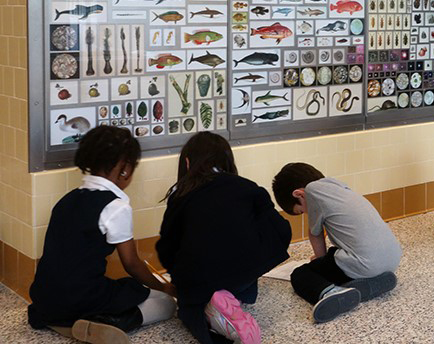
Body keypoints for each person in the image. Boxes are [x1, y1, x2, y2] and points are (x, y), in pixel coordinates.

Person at [28, 126, 176, 344]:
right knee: (165, 303)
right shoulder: (116, 207)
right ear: (125, 170)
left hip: (44, 298)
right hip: (81, 296)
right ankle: (110, 322)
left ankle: (65, 322)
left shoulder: (66, 201)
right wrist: (164, 287)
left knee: (125, 288)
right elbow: (132, 264)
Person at [156, 133, 291, 344]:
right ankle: (231, 298)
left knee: (187, 310)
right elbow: (280, 228)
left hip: (202, 275)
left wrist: (179, 279)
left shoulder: (181, 193)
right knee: (240, 273)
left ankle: (213, 309)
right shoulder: (247, 186)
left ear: (188, 162)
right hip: (244, 274)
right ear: (227, 160)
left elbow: (167, 246)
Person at [272, 163, 400, 323]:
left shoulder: (313, 192)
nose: (306, 213)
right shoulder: (337, 187)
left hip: (365, 263)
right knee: (336, 255)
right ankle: (374, 281)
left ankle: (330, 292)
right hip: (392, 258)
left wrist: (320, 263)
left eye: (302, 210)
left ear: (299, 194)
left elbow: (315, 234)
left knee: (300, 274)